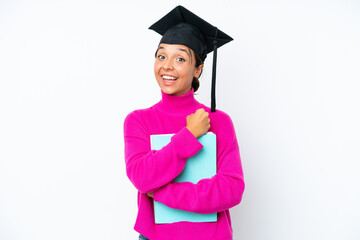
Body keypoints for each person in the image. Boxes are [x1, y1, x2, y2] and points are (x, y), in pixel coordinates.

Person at [123, 5, 245, 240]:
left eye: (180, 58)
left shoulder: (219, 121)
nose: (167, 66)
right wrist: (189, 135)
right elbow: (141, 177)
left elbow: (232, 189)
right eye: (161, 56)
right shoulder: (138, 121)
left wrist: (164, 192)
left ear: (198, 69)